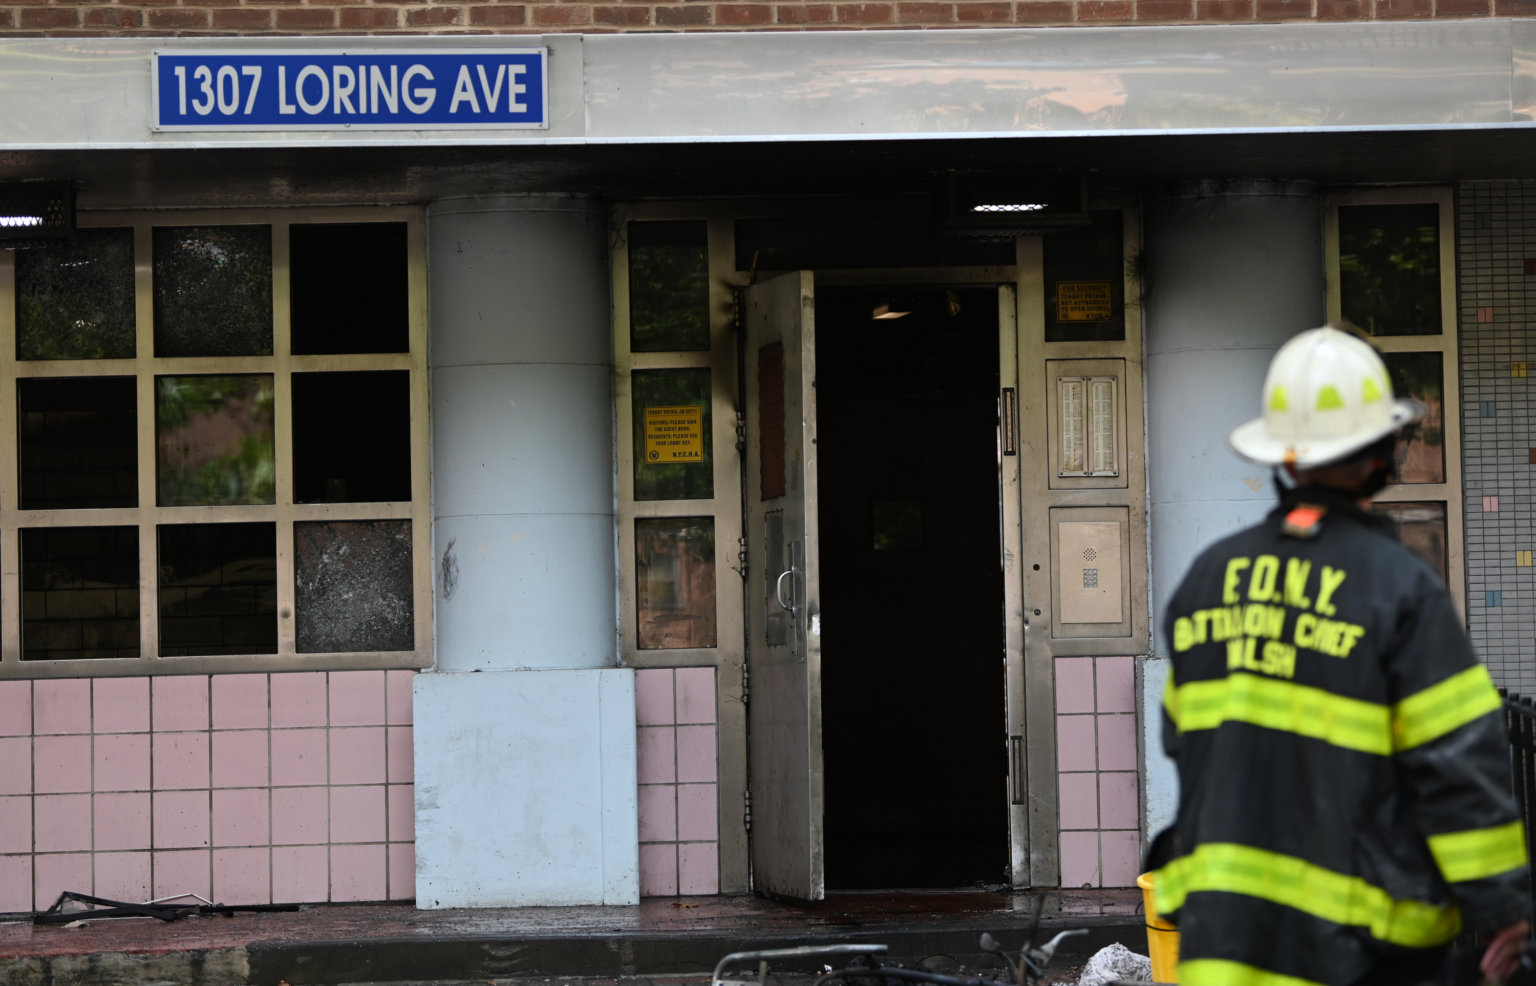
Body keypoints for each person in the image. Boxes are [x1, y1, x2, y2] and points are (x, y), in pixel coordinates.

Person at [1149, 326, 1532, 986]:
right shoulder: (1400, 588)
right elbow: (1458, 766)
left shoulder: (1206, 579)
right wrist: (1503, 910)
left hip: (1224, 945)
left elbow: (1189, 746)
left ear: (1284, 458)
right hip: (1357, 954)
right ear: (1382, 452)